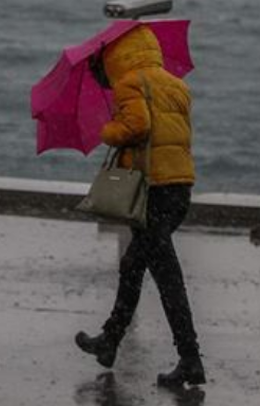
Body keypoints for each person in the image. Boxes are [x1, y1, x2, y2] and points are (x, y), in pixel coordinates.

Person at [75, 25, 205, 386]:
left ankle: (190, 359)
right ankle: (110, 340)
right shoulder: (176, 85)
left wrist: (108, 131)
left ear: (117, 56)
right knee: (133, 264)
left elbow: (137, 125)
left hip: (152, 191)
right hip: (179, 187)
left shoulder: (130, 83)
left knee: (167, 277)